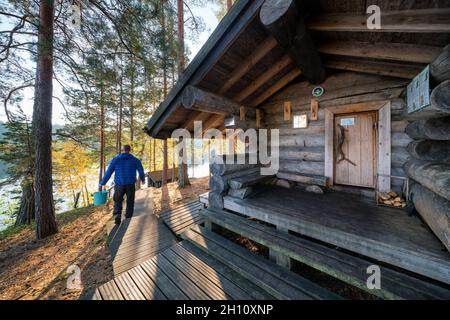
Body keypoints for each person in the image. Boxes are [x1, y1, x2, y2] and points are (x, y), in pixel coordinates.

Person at [100, 145, 145, 224]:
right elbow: (141, 171)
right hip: (130, 184)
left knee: (118, 199)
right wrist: (143, 179)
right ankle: (128, 217)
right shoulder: (135, 160)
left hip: (119, 184)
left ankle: (118, 214)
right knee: (130, 201)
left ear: (123, 150)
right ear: (130, 150)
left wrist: (103, 182)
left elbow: (109, 172)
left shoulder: (115, 159)